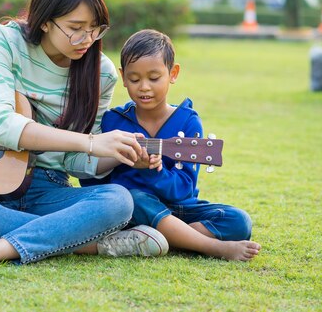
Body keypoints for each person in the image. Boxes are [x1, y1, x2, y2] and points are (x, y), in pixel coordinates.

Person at [0, 0, 168, 271]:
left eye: (95, 28)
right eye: (75, 27)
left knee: (118, 201)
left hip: (49, 187)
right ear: (45, 22)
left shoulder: (101, 73)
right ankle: (88, 242)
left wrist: (120, 155)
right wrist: (91, 142)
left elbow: (73, 162)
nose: (87, 39)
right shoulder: (4, 42)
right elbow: (0, 125)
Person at [81, 29, 261, 261]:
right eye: (135, 79)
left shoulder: (187, 121)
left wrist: (151, 172)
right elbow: (89, 179)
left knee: (238, 221)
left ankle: (164, 237)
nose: (144, 87)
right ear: (123, 77)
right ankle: (208, 246)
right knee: (132, 197)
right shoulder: (113, 120)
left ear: (173, 73)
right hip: (131, 210)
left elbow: (184, 189)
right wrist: (114, 159)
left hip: (178, 208)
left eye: (154, 78)